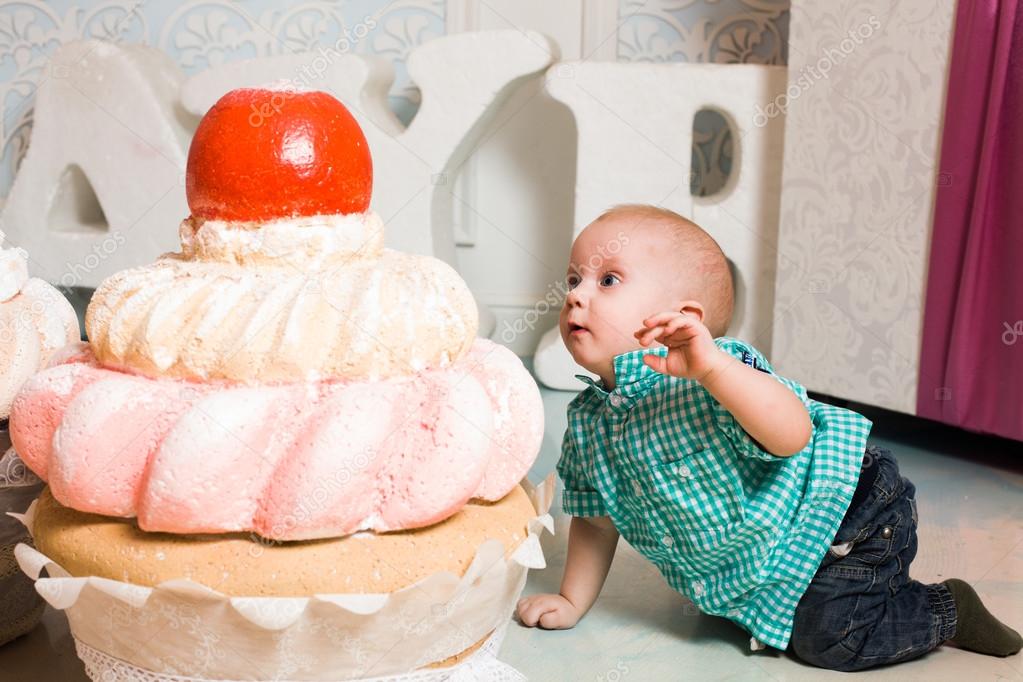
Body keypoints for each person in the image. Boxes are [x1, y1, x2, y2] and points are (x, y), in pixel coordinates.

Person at [516, 204, 1022, 671]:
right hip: (772, 554)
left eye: (607, 280)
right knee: (762, 618)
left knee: (829, 638)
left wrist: (713, 369)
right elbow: (596, 523)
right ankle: (814, 595)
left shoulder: (714, 375)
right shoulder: (587, 423)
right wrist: (571, 600)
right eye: (573, 279)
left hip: (847, 515)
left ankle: (945, 608)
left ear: (685, 319)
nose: (576, 295)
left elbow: (792, 436)